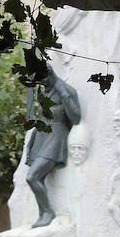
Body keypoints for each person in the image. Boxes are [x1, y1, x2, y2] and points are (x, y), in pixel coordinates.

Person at [24, 68, 82, 228]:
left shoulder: (65, 90)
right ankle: (44, 213)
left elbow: (76, 117)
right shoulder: (44, 93)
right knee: (36, 178)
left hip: (56, 139)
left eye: (42, 80)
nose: (41, 84)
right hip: (42, 138)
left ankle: (47, 213)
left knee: (32, 177)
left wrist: (61, 90)